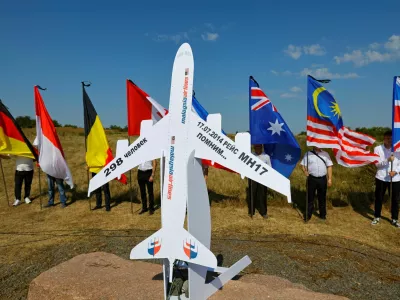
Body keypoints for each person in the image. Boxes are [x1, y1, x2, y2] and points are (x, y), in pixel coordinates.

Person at [371, 130, 400, 228]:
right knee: (379, 198)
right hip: (381, 177)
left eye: (391, 138)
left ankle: (394, 219)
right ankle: (377, 216)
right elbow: (377, 164)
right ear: (384, 138)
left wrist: (395, 171)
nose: (389, 140)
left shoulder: (398, 148)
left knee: (395, 199)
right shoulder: (377, 149)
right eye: (387, 138)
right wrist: (387, 160)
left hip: (395, 178)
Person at [300, 146, 333, 221]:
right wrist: (305, 171)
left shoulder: (326, 154)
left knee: (322, 197)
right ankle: (308, 215)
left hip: (322, 179)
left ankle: (322, 215)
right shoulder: (308, 154)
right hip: (311, 179)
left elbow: (329, 166)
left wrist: (330, 179)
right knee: (310, 197)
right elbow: (302, 165)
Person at [247, 144, 271, 219]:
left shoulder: (266, 156)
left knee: (262, 195)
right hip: (252, 178)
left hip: (263, 179)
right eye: (256, 147)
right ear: (254, 147)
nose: (257, 148)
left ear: (261, 147)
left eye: (259, 147)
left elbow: (269, 168)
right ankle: (251, 211)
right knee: (252, 194)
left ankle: (263, 212)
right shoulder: (250, 155)